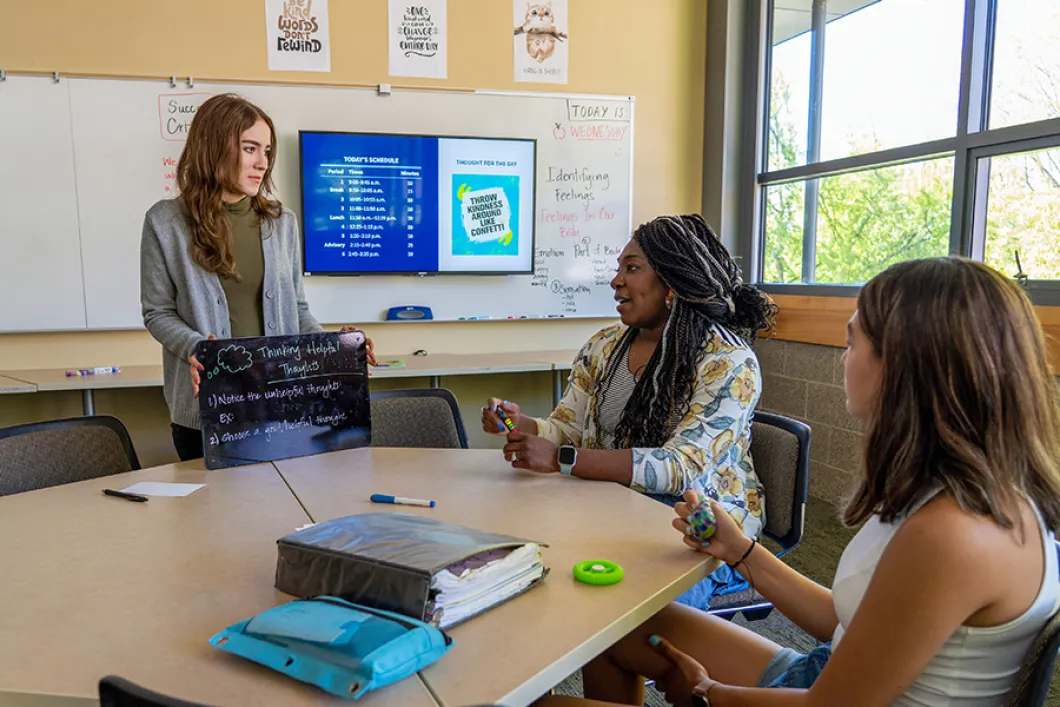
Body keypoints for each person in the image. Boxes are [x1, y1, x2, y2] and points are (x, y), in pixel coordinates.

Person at [539, 257, 1060, 707]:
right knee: (618, 631)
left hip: (828, 696)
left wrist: (706, 694)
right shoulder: (972, 495)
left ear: (904, 366)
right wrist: (737, 548)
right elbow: (846, 619)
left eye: (854, 342)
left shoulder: (950, 535)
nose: (843, 358)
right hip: (832, 671)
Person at [481, 214, 777, 541]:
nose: (616, 281)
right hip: (612, 503)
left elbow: (678, 468)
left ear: (672, 283)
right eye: (619, 268)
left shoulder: (729, 362)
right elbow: (570, 430)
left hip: (703, 525)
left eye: (632, 268)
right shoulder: (604, 346)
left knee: (611, 579)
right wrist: (520, 424)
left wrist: (559, 459)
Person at [140, 93, 373, 462]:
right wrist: (196, 347)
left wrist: (335, 347)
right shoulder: (164, 222)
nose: (262, 163)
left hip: (280, 407)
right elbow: (157, 312)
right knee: (214, 518)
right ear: (214, 147)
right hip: (207, 411)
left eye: (266, 151)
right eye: (250, 149)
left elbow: (296, 308)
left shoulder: (282, 223)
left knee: (280, 512)